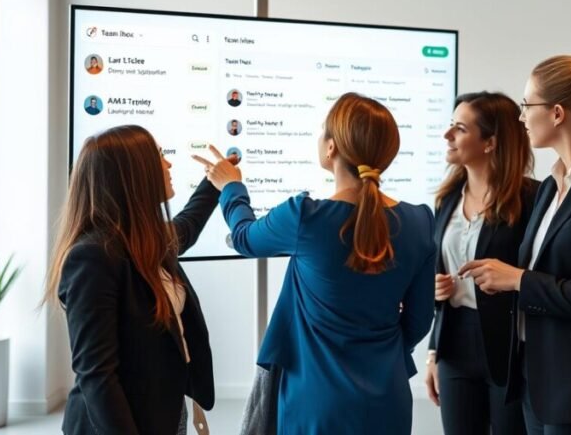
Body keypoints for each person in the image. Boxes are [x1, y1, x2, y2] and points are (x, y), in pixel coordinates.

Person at [195, 93, 436, 435]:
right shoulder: (420, 222)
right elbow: (418, 320)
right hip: (388, 399)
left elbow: (246, 238)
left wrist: (232, 187)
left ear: (331, 148)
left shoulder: (306, 217)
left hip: (316, 401)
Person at [460, 56, 571, 435]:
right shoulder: (548, 186)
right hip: (537, 383)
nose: (521, 118)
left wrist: (519, 280)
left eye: (527, 105)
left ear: (557, 113)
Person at [44, 125, 220, 435]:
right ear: (131, 175)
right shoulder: (92, 258)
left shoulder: (146, 242)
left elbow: (187, 225)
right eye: (159, 156)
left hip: (164, 412)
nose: (168, 165)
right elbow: (97, 377)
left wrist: (215, 183)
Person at [425, 92, 536, 435]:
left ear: (490, 142)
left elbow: (541, 274)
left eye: (459, 128)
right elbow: (439, 273)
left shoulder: (532, 198)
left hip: (510, 350)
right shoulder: (445, 199)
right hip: (454, 343)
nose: (448, 136)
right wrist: (433, 351)